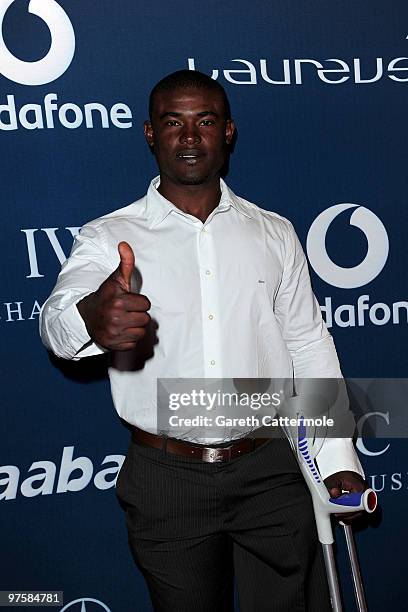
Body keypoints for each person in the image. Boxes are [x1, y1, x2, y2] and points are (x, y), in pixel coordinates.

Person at [40, 70, 365, 611]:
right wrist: (90, 318)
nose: (189, 137)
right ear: (150, 133)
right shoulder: (108, 236)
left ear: (228, 132)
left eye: (205, 121)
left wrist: (337, 461)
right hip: (166, 477)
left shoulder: (274, 232)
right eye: (174, 122)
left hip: (272, 466)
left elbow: (308, 345)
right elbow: (56, 320)